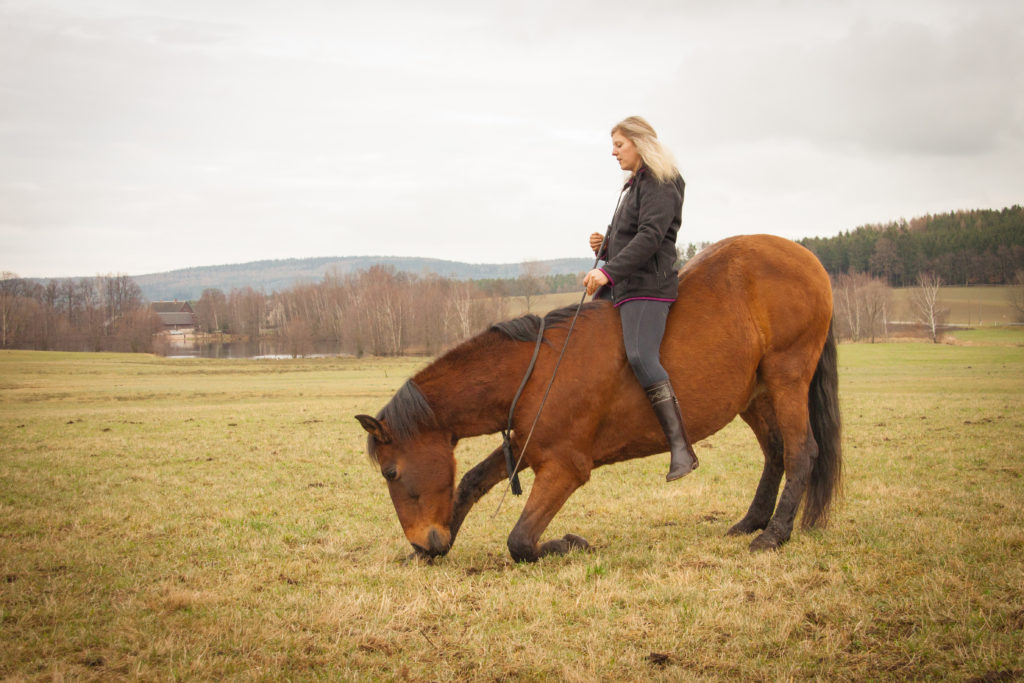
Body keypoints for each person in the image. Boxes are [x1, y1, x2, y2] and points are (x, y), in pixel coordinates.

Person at [582, 116, 698, 482]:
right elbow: (634, 235)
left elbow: (650, 238)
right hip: (624, 283)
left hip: (648, 286)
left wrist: (606, 271)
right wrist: (607, 245)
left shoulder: (662, 182)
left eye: (619, 144)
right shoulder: (635, 185)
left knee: (640, 356)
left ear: (639, 143)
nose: (613, 151)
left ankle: (681, 447)